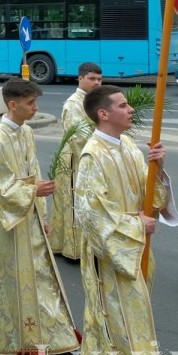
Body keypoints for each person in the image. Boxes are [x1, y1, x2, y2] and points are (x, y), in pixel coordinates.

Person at [74, 85, 178, 355]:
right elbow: (90, 215)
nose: (131, 109)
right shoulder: (93, 156)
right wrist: (136, 225)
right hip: (111, 255)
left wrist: (158, 169)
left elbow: (151, 199)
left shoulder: (130, 148)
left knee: (115, 323)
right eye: (123, 105)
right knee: (118, 325)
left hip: (134, 251)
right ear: (103, 113)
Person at [0, 78, 78, 355]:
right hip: (8, 223)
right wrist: (31, 192)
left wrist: (42, 214)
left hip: (30, 216)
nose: (35, 108)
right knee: (8, 281)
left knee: (40, 280)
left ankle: (49, 339)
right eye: (31, 103)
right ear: (13, 104)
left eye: (35, 102)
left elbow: (33, 171)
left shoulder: (26, 131)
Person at [52, 61, 101, 261]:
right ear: (80, 78)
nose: (96, 82)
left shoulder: (95, 100)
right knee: (74, 201)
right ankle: (74, 249)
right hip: (74, 157)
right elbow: (78, 137)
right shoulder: (74, 104)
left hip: (88, 155)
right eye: (92, 78)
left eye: (99, 79)